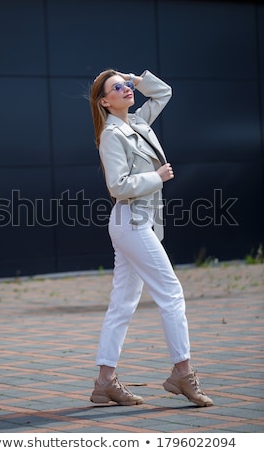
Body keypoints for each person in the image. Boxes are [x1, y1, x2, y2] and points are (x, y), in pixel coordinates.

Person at [89, 69, 213, 407]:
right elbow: (117, 186)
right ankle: (183, 374)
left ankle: (104, 383)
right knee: (171, 292)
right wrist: (156, 177)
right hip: (131, 221)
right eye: (118, 87)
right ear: (104, 101)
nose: (127, 89)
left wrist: (137, 77)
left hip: (137, 223)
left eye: (127, 85)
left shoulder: (138, 123)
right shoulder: (112, 135)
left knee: (123, 304)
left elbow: (163, 93)